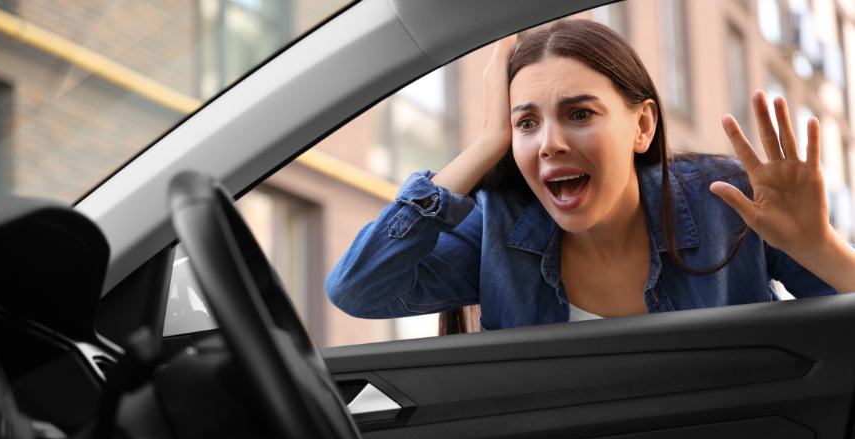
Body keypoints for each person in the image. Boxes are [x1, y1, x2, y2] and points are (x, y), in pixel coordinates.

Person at [325, 19, 855, 334]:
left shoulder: (728, 201)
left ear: (642, 124)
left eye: (580, 114)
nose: (550, 142)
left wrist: (818, 245)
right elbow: (357, 290)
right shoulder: (498, 227)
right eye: (526, 123)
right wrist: (488, 143)